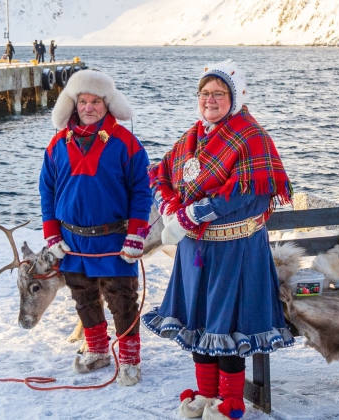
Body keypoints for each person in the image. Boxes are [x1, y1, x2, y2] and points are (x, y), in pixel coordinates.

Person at [142, 59, 294, 420]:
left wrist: (193, 214)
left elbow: (249, 194)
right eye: (204, 93)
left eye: (218, 93)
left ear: (235, 96)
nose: (210, 100)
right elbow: (160, 174)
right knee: (198, 321)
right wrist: (169, 208)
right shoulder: (192, 137)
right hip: (196, 249)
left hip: (236, 249)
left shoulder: (250, 136)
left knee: (228, 324)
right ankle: (205, 396)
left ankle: (229, 401)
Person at [40, 69, 152, 387]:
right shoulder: (57, 144)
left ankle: (130, 360)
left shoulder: (126, 143)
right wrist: (51, 234)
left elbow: (142, 190)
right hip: (71, 239)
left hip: (115, 239)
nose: (89, 107)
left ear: (107, 104)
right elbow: (46, 190)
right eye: (83, 101)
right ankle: (99, 351)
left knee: (122, 300)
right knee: (83, 296)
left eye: (96, 101)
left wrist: (136, 233)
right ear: (74, 104)